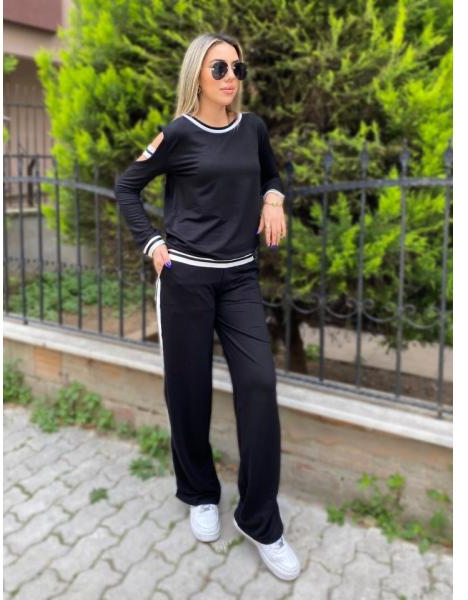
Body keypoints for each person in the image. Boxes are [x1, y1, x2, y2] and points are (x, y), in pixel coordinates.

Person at [114, 32, 301, 581]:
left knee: (259, 385)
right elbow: (127, 187)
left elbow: (271, 173)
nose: (230, 77)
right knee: (188, 391)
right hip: (186, 281)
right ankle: (199, 492)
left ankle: (259, 519)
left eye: (237, 68)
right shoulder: (177, 133)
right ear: (197, 72)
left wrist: (273, 197)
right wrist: (152, 243)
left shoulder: (253, 129)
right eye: (219, 67)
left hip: (239, 278)